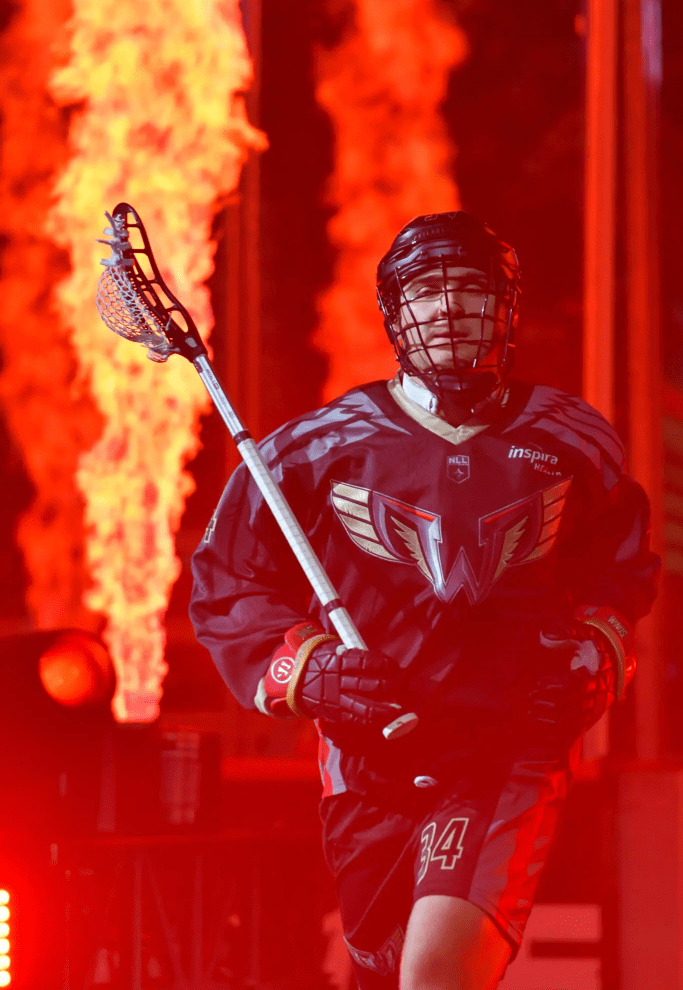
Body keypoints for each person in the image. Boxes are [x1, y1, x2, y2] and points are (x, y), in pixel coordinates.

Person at [189, 212, 659, 990]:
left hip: (502, 753)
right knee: (385, 972)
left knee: (436, 976)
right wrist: (308, 670)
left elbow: (621, 573)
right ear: (393, 313)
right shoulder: (316, 447)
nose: (447, 309)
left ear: (506, 309)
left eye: (469, 289)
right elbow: (229, 579)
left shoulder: (571, 439)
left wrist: (595, 656)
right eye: (425, 293)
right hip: (367, 768)